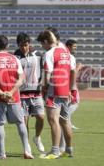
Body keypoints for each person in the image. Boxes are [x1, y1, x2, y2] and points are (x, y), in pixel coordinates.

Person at [0, 35, 34, 159]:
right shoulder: (14, 59)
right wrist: (11, 92)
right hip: (14, 97)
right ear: (7, 46)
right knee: (20, 122)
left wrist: (1, 93)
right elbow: (21, 79)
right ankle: (27, 151)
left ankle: (2, 153)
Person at [37, 30, 73, 159]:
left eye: (42, 44)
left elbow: (47, 74)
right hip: (65, 90)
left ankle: (55, 151)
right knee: (65, 121)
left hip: (54, 89)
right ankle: (69, 149)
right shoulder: (65, 52)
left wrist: (43, 88)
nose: (42, 47)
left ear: (46, 42)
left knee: (53, 120)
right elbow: (72, 70)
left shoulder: (49, 54)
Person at [14, 33, 45, 153]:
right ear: (18, 45)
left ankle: (37, 138)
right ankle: (27, 147)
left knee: (41, 117)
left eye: (26, 45)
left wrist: (42, 81)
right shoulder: (15, 56)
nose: (24, 48)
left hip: (36, 92)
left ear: (29, 44)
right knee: (24, 121)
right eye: (21, 46)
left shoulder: (38, 55)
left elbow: (43, 70)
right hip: (21, 94)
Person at [65, 39, 81, 130]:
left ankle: (68, 123)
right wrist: (78, 68)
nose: (75, 48)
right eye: (74, 46)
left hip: (66, 83)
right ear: (69, 46)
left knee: (68, 103)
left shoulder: (64, 56)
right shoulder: (70, 57)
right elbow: (72, 72)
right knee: (75, 102)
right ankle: (65, 118)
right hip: (71, 84)